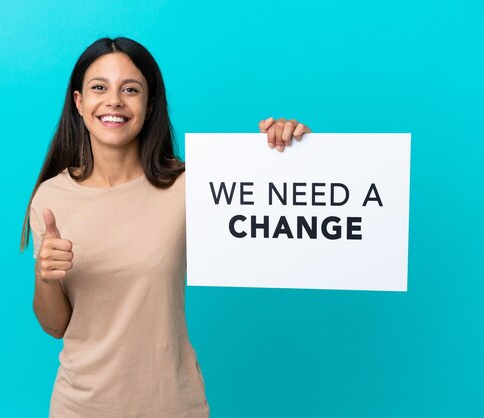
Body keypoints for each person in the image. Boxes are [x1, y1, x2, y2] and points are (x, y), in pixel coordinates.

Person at [19, 36, 311, 418]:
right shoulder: (51, 197)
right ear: (78, 102)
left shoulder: (189, 186)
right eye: (99, 88)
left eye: (131, 89)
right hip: (81, 407)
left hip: (173, 405)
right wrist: (45, 275)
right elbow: (55, 325)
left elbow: (272, 211)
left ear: (150, 102)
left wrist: (285, 151)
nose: (115, 101)